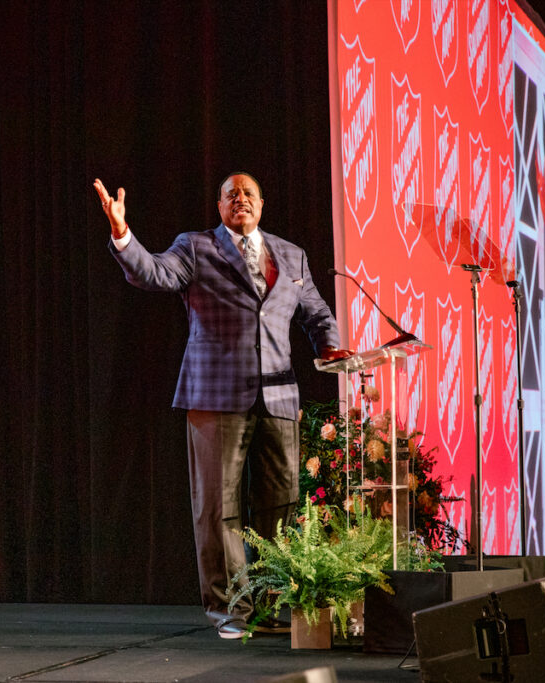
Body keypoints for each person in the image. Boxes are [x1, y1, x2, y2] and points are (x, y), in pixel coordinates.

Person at [93, 172, 352, 639]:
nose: (241, 199)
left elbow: (315, 312)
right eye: (231, 194)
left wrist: (331, 347)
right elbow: (153, 273)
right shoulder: (196, 247)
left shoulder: (291, 254)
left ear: (262, 204)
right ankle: (231, 609)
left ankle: (272, 605)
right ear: (219, 207)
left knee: (280, 507)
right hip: (215, 396)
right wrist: (122, 233)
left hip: (278, 396)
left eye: (249, 193)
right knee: (218, 508)